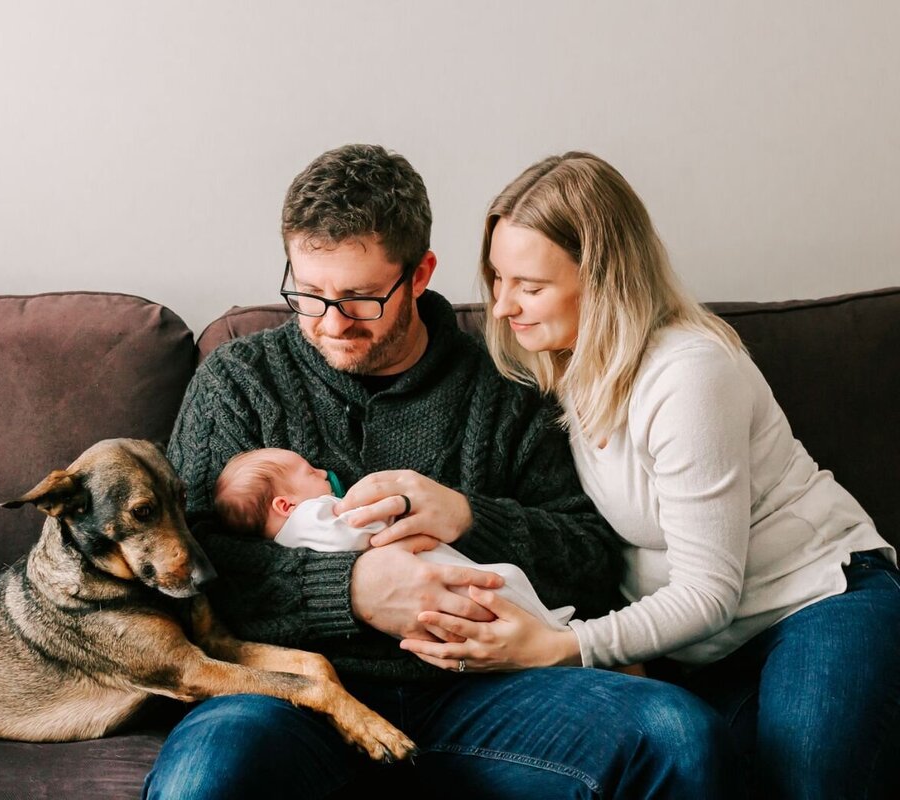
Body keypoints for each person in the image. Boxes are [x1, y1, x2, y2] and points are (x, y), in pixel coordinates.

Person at [145, 144, 740, 799]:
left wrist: (471, 516)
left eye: (362, 299)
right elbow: (185, 579)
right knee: (205, 775)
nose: (331, 324)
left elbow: (593, 562)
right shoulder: (239, 382)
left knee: (679, 735)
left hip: (488, 692)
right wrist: (351, 589)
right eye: (309, 296)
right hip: (295, 698)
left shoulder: (510, 383)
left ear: (420, 273)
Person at [397, 150, 900, 798]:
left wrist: (563, 645)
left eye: (529, 285)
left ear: (603, 279)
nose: (500, 307)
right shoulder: (561, 366)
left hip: (818, 599)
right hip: (710, 649)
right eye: (497, 277)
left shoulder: (689, 374)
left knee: (807, 779)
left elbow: (710, 591)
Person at [214, 447, 573, 630]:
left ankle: (547, 625)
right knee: (504, 579)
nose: (323, 471)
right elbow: (354, 529)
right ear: (284, 504)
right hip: (433, 577)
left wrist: (464, 513)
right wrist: (389, 511)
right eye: (310, 471)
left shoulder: (295, 532)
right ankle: (551, 627)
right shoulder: (310, 516)